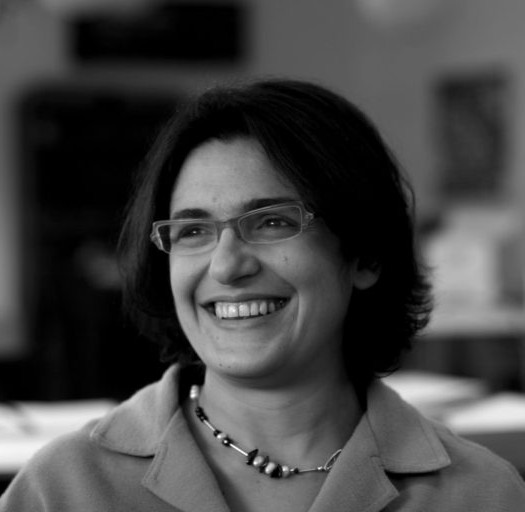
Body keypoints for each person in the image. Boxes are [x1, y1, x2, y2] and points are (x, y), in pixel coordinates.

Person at [2, 78, 525, 512]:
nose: (227, 265)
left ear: (365, 255)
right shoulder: (64, 489)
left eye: (272, 222)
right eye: (192, 232)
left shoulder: (482, 494)